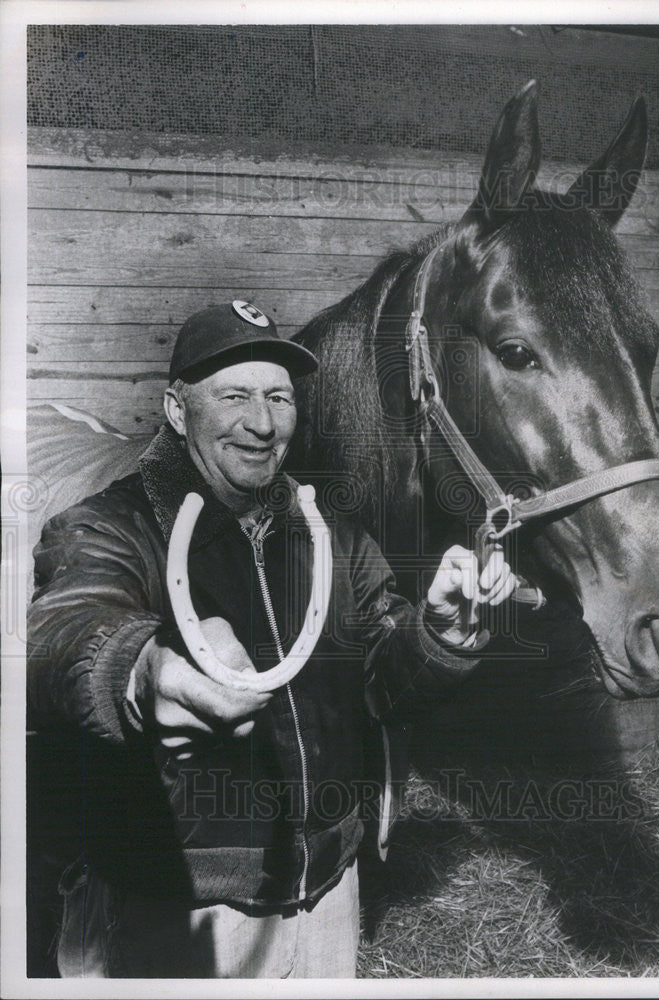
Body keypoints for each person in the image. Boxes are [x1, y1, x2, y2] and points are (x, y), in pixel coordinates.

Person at [27, 300, 515, 979]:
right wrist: (137, 671)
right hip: (176, 909)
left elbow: (383, 681)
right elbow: (65, 628)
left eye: (278, 397)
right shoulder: (110, 526)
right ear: (177, 410)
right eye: (233, 395)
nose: (262, 423)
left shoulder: (332, 535)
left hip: (326, 894)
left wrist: (439, 635)